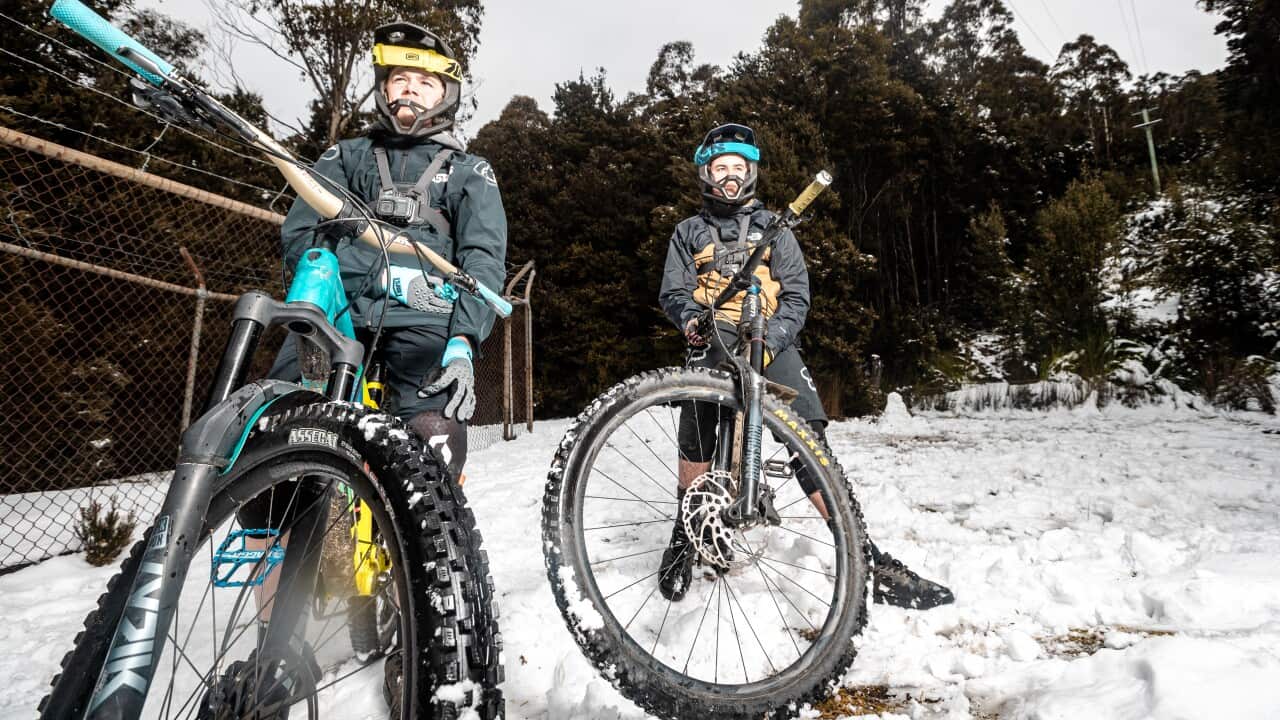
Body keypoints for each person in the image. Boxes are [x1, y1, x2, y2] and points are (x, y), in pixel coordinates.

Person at [210, 21, 506, 717]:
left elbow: (484, 260)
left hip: (424, 326)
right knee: (274, 455)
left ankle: (416, 617)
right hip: (334, 320)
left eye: (424, 82)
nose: (409, 92)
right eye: (399, 79)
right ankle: (276, 646)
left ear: (446, 94)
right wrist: (348, 279)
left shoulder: (471, 173)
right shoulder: (342, 156)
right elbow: (301, 233)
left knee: (431, 444)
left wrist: (463, 339)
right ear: (382, 87)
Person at [656, 123, 954, 610]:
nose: (729, 177)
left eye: (737, 168)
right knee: (698, 416)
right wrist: (691, 319)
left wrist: (772, 340)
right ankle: (684, 535)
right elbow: (673, 290)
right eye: (720, 168)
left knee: (808, 433)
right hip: (715, 330)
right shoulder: (687, 232)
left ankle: (865, 555)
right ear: (705, 175)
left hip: (769, 335)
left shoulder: (777, 228)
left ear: (751, 173)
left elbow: (796, 296)